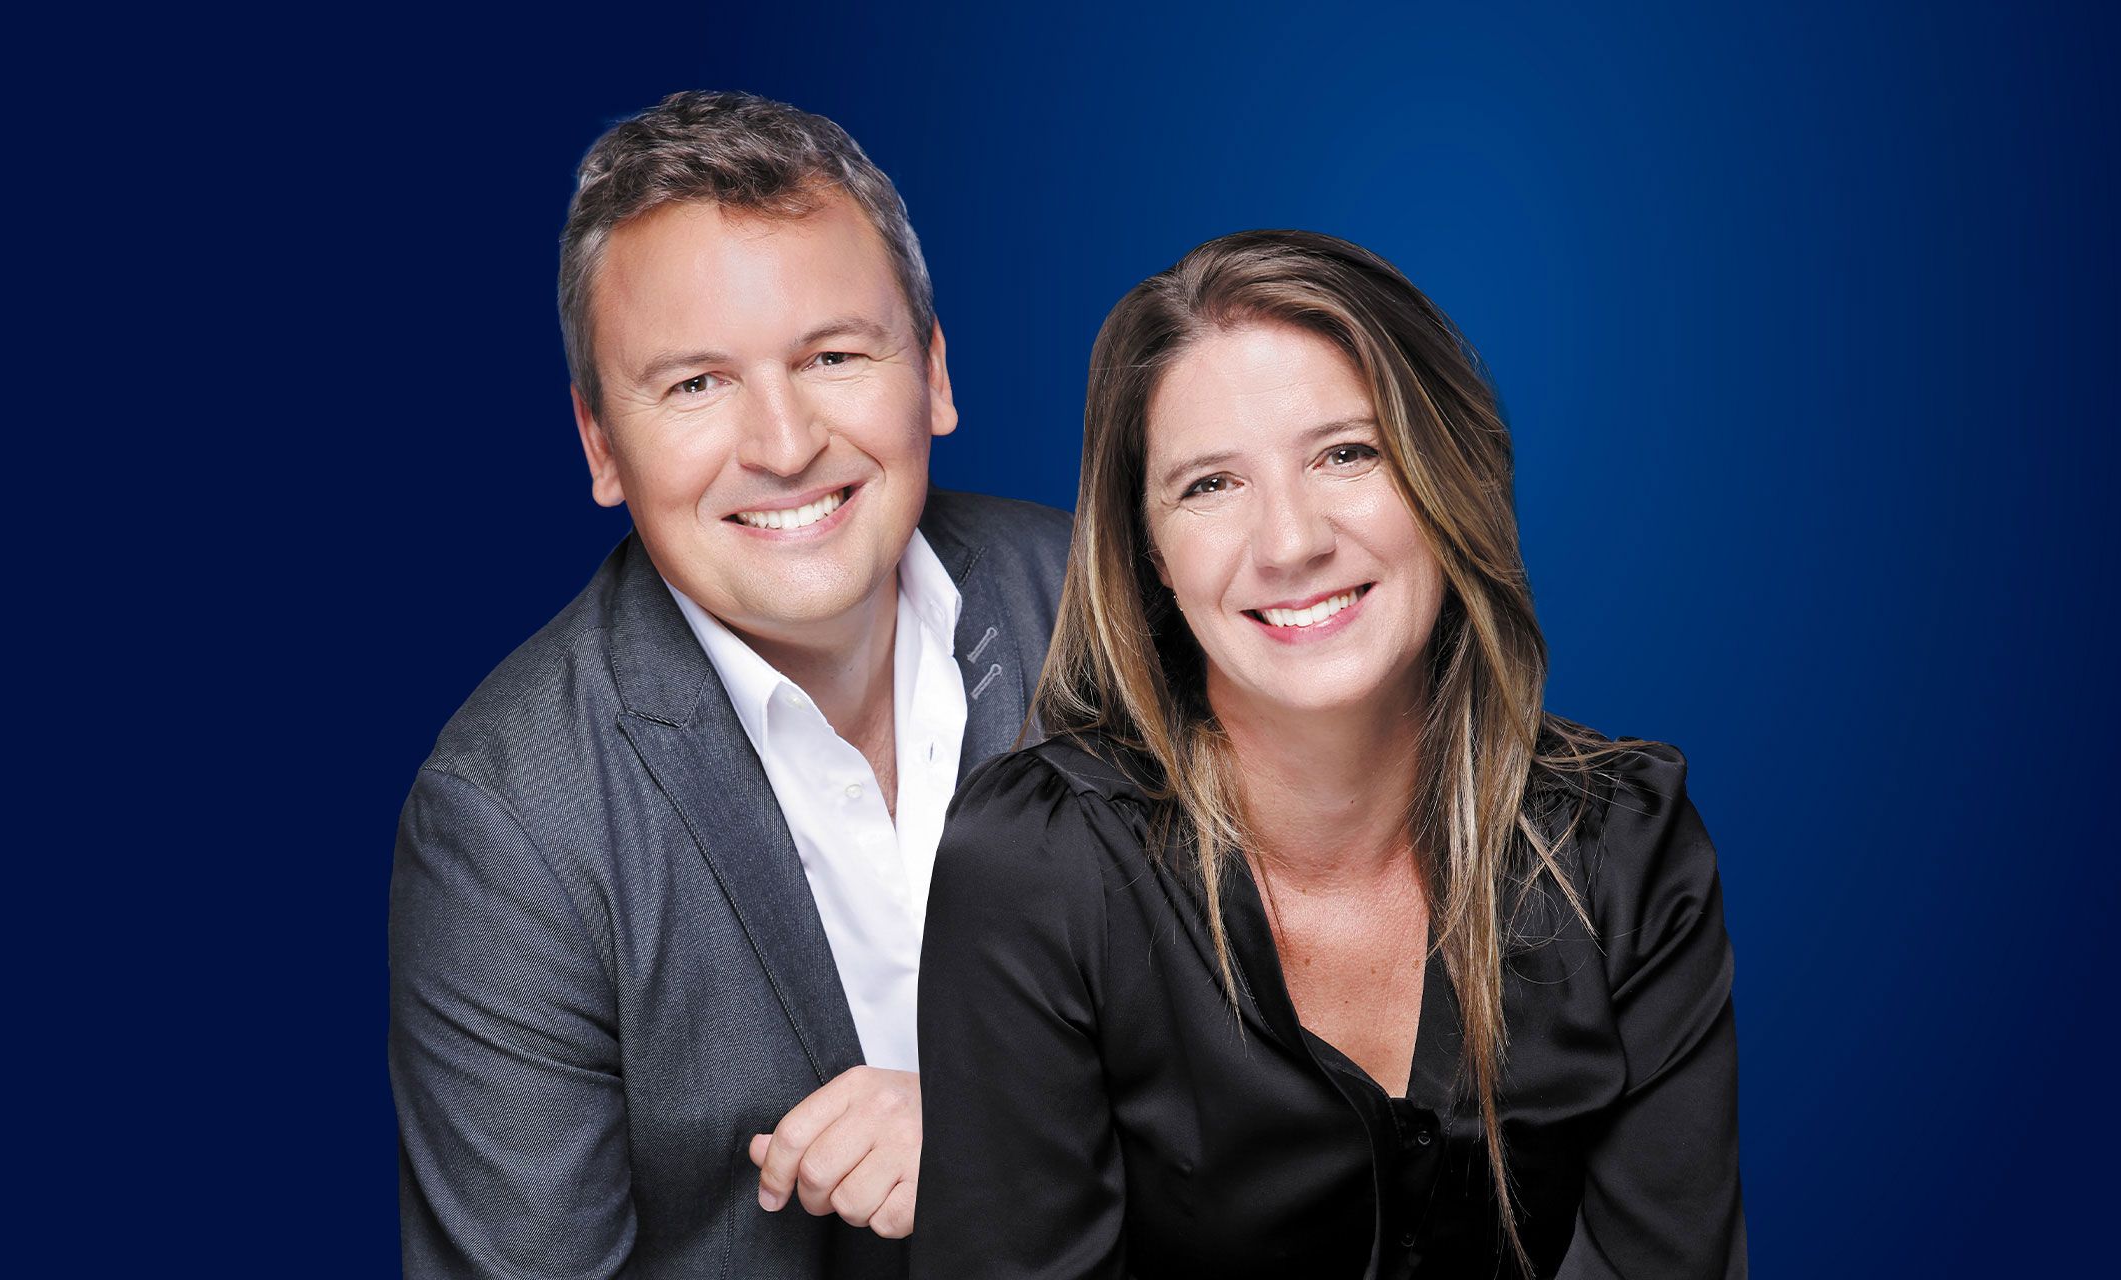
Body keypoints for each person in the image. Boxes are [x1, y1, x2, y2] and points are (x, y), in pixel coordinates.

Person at [914, 230, 1745, 1278]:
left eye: (1346, 454)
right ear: (1151, 551)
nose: (1291, 541)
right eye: (1210, 484)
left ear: (1445, 473)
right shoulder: (1037, 869)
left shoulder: (1621, 844)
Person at [389, 91, 1070, 1278]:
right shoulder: (509, 824)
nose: (784, 443)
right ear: (601, 445)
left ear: (934, 372)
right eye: (696, 384)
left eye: (833, 356)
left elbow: (1323, 1101)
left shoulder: (1110, 611)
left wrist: (1007, 1129)